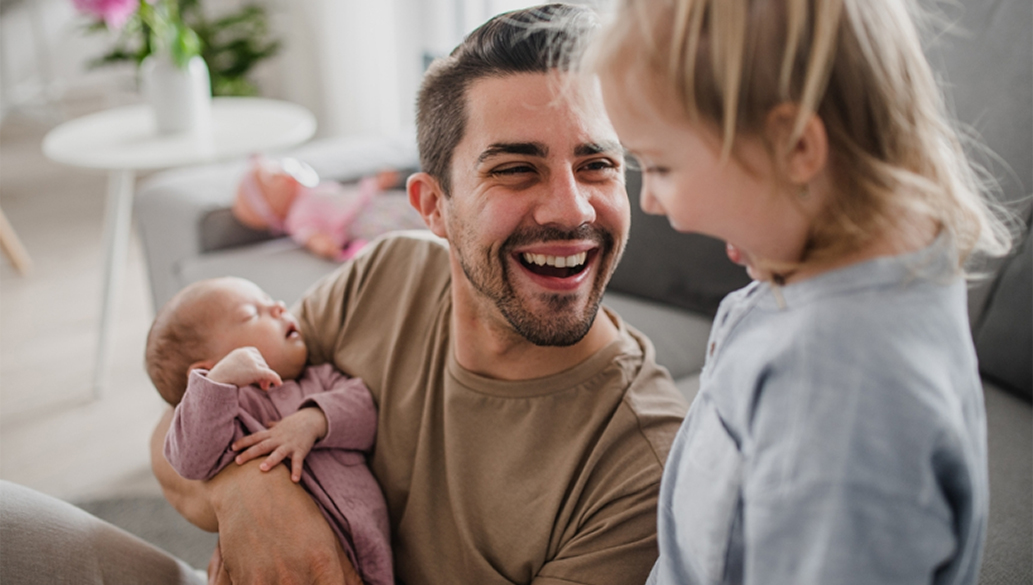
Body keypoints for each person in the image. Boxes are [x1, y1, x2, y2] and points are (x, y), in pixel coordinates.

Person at [589, 0, 1015, 583]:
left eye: (659, 168)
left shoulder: (840, 393)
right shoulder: (882, 269)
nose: (650, 202)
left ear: (795, 147)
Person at [144, 276, 393, 585]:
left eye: (272, 300)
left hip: (366, 546)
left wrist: (314, 420)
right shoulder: (226, 414)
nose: (278, 307)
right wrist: (216, 386)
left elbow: (365, 412)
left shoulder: (319, 380)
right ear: (206, 370)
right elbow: (189, 461)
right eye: (251, 313)